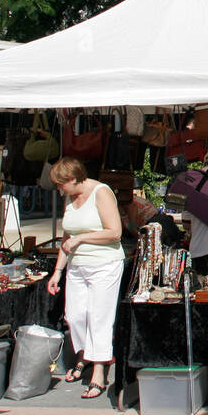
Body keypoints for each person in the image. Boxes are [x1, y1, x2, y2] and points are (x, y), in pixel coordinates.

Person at [46, 156, 125, 399]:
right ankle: (86, 355)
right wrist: (57, 272)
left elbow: (115, 232)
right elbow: (65, 238)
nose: (59, 190)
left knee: (99, 317)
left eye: (61, 185)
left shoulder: (101, 192)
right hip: (77, 265)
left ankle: (99, 371)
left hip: (104, 264)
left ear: (73, 179)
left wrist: (82, 238)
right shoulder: (70, 198)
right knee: (75, 315)